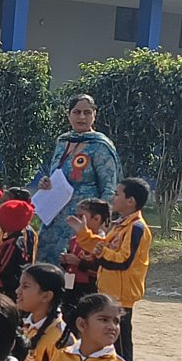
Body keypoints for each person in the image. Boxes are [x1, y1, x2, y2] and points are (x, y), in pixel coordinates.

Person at [34, 94, 119, 266]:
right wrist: (46, 184)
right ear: (68, 114)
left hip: (84, 219)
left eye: (87, 112)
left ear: (94, 114)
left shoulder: (100, 145)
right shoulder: (62, 141)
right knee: (46, 267)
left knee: (75, 266)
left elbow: (109, 188)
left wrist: (102, 223)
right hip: (55, 217)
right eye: (77, 112)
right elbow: (56, 173)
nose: (82, 117)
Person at [92, 178, 151, 361]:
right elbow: (104, 249)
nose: (113, 197)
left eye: (117, 194)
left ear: (130, 201)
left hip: (121, 296)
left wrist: (102, 252)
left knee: (121, 346)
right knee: (109, 343)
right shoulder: (120, 225)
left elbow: (124, 261)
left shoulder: (137, 228)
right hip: (109, 291)